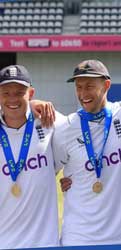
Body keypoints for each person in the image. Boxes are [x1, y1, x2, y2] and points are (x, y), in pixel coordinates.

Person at [52, 59, 121, 246]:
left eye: (89, 86)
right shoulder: (65, 127)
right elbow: (44, 171)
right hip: (79, 238)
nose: (83, 94)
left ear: (106, 85)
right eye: (79, 87)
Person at [0, 65, 59, 248]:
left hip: (44, 242)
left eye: (20, 93)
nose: (12, 98)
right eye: (6, 93)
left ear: (31, 93)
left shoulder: (50, 122)